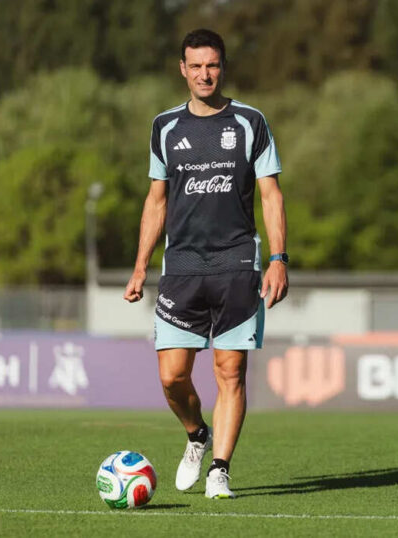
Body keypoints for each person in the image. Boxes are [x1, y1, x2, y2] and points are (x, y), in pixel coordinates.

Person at [123, 28, 288, 500]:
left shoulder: (251, 122)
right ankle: (197, 434)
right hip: (181, 267)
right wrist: (140, 267)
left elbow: (271, 194)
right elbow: (156, 203)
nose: (204, 74)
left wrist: (278, 258)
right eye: (195, 66)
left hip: (238, 263)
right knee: (172, 375)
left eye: (212, 65)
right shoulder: (164, 127)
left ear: (223, 66)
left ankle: (220, 469)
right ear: (182, 69)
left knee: (229, 371)